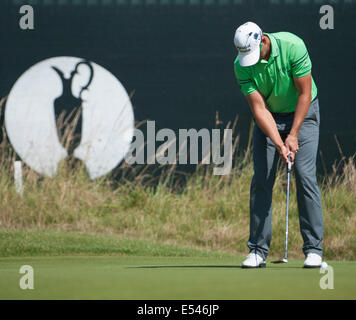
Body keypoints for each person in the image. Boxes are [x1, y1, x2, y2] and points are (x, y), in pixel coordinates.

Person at [233, 22, 324, 268]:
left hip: (302, 115)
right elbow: (259, 108)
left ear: (262, 41)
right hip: (270, 117)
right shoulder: (241, 67)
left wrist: (292, 135)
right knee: (262, 179)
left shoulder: (293, 46)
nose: (248, 60)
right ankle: (257, 251)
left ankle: (314, 250)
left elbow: (304, 94)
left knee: (305, 177)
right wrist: (278, 143)